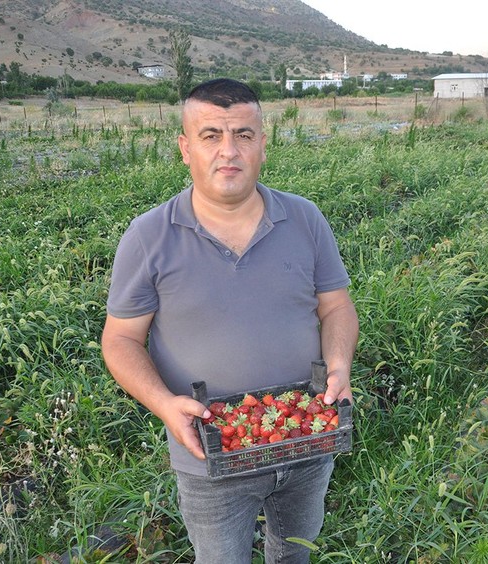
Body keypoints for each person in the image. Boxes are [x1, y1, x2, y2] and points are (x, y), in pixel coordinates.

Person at [101, 78, 359, 563]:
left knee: (295, 555)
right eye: (210, 135)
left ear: (263, 144)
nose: (228, 150)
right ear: (185, 148)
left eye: (243, 134)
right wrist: (163, 404)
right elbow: (120, 339)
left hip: (306, 437)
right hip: (208, 454)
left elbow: (336, 307)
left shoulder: (305, 219)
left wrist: (339, 364)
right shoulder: (148, 236)